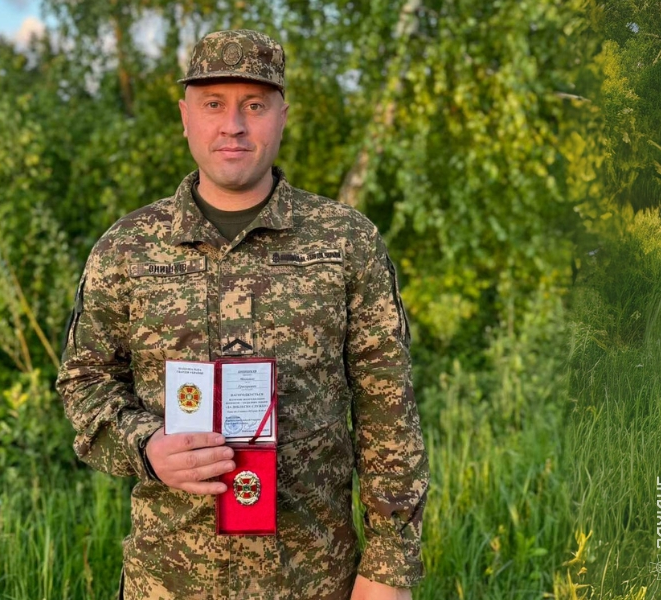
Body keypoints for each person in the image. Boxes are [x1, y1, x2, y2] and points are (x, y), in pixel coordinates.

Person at [55, 28, 429, 600]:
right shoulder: (127, 248)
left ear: (282, 117)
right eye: (213, 104)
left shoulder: (345, 241)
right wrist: (146, 446)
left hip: (313, 579)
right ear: (185, 118)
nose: (233, 125)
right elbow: (84, 382)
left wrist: (388, 570)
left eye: (254, 105)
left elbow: (388, 409)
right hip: (170, 580)